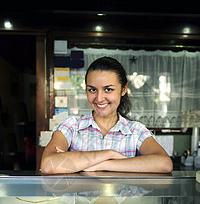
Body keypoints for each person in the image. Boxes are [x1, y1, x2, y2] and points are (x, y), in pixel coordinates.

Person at [40, 57, 173, 174]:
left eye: (108, 89)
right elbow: (48, 165)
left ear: (123, 89)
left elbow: (164, 164)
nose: (99, 98)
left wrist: (101, 165)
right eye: (92, 90)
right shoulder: (71, 126)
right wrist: (110, 154)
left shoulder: (135, 131)